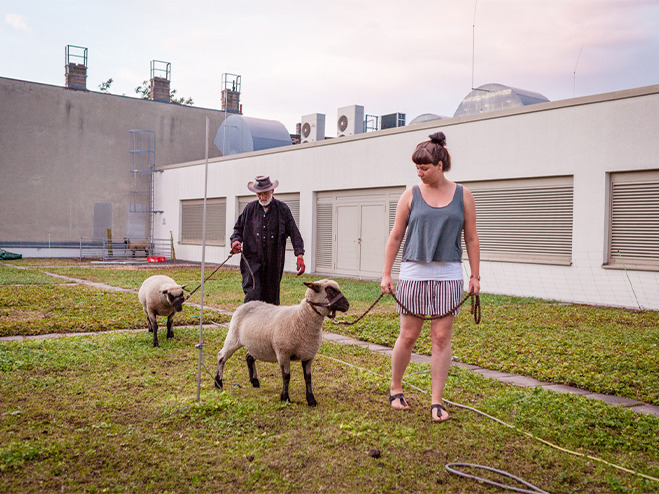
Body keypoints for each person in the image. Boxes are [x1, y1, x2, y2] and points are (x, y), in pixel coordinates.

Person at [381, 132, 480, 423]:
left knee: (440, 338)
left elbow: (472, 238)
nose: (420, 173)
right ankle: (395, 388)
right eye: (417, 169)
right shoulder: (410, 194)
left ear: (440, 165)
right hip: (413, 271)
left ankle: (437, 400)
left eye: (425, 168)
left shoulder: (464, 195)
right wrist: (386, 273)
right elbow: (396, 235)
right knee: (409, 335)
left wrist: (474, 276)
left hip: (449, 273)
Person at [230, 175, 305, 305]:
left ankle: (269, 325)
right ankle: (249, 324)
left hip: (273, 263)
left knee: (271, 298)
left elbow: (294, 233)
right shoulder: (249, 209)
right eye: (259, 194)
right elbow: (238, 230)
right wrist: (235, 241)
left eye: (265, 193)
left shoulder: (283, 209)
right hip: (252, 261)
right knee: (253, 295)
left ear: (272, 191)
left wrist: (299, 255)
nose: (261, 197)